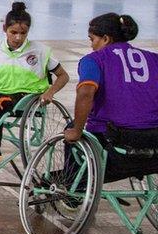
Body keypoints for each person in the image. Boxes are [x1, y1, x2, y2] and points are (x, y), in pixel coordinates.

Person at [0, 2, 69, 167]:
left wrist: (50, 92)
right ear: (4, 29)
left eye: (23, 33)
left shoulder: (40, 51)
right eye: (13, 32)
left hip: (26, 94)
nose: (18, 38)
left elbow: (63, 76)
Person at [64, 13, 157, 179]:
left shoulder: (94, 60)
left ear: (105, 38)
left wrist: (77, 130)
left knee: (71, 128)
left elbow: (85, 93)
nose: (92, 46)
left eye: (92, 39)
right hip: (153, 140)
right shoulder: (153, 59)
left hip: (113, 142)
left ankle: (73, 186)